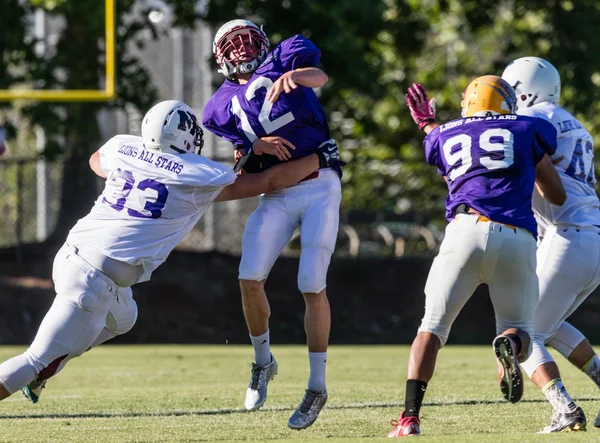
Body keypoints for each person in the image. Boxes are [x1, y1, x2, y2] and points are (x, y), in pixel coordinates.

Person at [0, 99, 343, 404]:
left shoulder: (124, 148)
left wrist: (128, 175)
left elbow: (95, 160)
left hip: (72, 258)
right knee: (33, 360)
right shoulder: (197, 176)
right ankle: (41, 369)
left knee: (124, 317)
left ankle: (48, 365)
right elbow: (267, 183)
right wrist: (320, 156)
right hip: (92, 280)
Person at [387, 76, 567, 437]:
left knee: (432, 328)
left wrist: (426, 123)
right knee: (523, 333)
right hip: (516, 236)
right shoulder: (529, 128)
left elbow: (454, 173)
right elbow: (555, 195)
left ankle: (409, 419)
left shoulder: (444, 134)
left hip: (465, 231)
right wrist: (524, 166)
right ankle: (510, 346)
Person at [202, 19, 341, 429]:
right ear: (220, 57)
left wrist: (296, 75)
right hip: (276, 194)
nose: (242, 51)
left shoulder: (285, 57)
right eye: (233, 46)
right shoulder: (218, 106)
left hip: (319, 184)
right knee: (249, 279)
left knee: (311, 283)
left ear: (262, 43)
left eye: (247, 42)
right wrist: (253, 146)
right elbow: (242, 157)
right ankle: (263, 362)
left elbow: (320, 76)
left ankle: (317, 386)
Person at [501, 56, 600, 433]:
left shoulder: (533, 121)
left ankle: (564, 408)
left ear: (525, 91)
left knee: (524, 334)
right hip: (590, 237)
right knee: (552, 325)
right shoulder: (571, 120)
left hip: (566, 235)